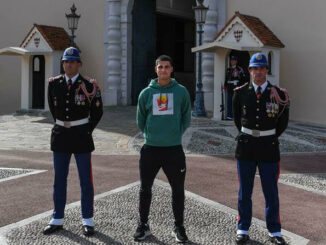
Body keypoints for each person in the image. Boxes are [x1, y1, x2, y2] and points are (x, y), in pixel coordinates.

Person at [43, 47, 103, 236]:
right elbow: (53, 109)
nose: (69, 65)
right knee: (59, 179)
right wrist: (64, 124)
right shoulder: (54, 84)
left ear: (79, 64)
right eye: (66, 62)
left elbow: (97, 112)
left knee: (86, 180)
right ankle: (57, 218)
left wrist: (85, 130)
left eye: (73, 61)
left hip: (81, 137)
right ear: (63, 64)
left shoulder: (89, 85)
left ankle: (87, 219)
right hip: (61, 135)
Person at [232, 53, 290, 245]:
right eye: (254, 68)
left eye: (261, 68)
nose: (258, 72)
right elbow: (237, 120)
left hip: (268, 148)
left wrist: (267, 135)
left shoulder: (279, 95)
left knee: (271, 192)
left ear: (267, 70)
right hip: (246, 148)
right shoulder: (240, 93)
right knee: (244, 192)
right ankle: (243, 229)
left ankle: (274, 231)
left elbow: (282, 123)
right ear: (249, 70)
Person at [134, 55, 191, 243]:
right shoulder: (146, 94)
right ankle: (143, 225)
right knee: (145, 189)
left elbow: (186, 118)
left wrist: (173, 134)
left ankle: (179, 227)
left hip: (173, 150)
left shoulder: (181, 92)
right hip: (151, 149)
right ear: (155, 69)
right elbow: (140, 120)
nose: (163, 70)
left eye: (167, 67)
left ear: (172, 69)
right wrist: (152, 135)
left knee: (178, 190)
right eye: (160, 67)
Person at [224, 56, 246, 120]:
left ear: (236, 61)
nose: (232, 62)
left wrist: (238, 75)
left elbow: (243, 78)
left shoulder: (239, 69)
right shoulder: (228, 69)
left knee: (236, 101)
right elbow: (226, 78)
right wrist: (225, 85)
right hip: (229, 87)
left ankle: (235, 115)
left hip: (236, 87)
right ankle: (229, 115)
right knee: (229, 101)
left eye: (233, 60)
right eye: (231, 61)